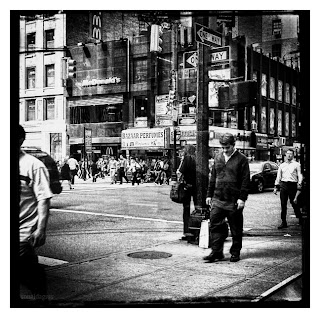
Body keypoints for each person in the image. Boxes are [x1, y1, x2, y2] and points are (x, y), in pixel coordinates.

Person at [18, 125, 53, 302]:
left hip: (23, 234)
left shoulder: (33, 165)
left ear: (20, 141)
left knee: (27, 272)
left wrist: (41, 229)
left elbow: (44, 199)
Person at [204, 133, 250, 263]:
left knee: (236, 228)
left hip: (234, 200)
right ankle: (216, 252)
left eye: (227, 147)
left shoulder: (242, 159)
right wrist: (209, 194)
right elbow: (213, 178)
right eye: (223, 147)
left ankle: (235, 252)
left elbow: (246, 181)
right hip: (218, 198)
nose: (225, 150)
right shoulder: (218, 158)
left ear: (233, 145)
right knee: (215, 225)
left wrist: (242, 198)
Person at [273, 148, 303, 229]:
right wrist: (276, 186)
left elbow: (299, 174)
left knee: (294, 203)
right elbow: (278, 176)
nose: (289, 155)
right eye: (288, 154)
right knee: (283, 204)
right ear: (285, 155)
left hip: (292, 185)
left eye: (291, 154)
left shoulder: (297, 164)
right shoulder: (282, 165)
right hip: (284, 185)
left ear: (293, 155)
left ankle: (300, 217)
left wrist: (300, 182)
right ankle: (283, 222)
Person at [177, 145, 197, 240]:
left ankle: (187, 231)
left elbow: (180, 172)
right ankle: (196, 230)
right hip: (197, 187)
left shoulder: (186, 158)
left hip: (187, 186)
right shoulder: (197, 158)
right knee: (198, 208)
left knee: (186, 209)